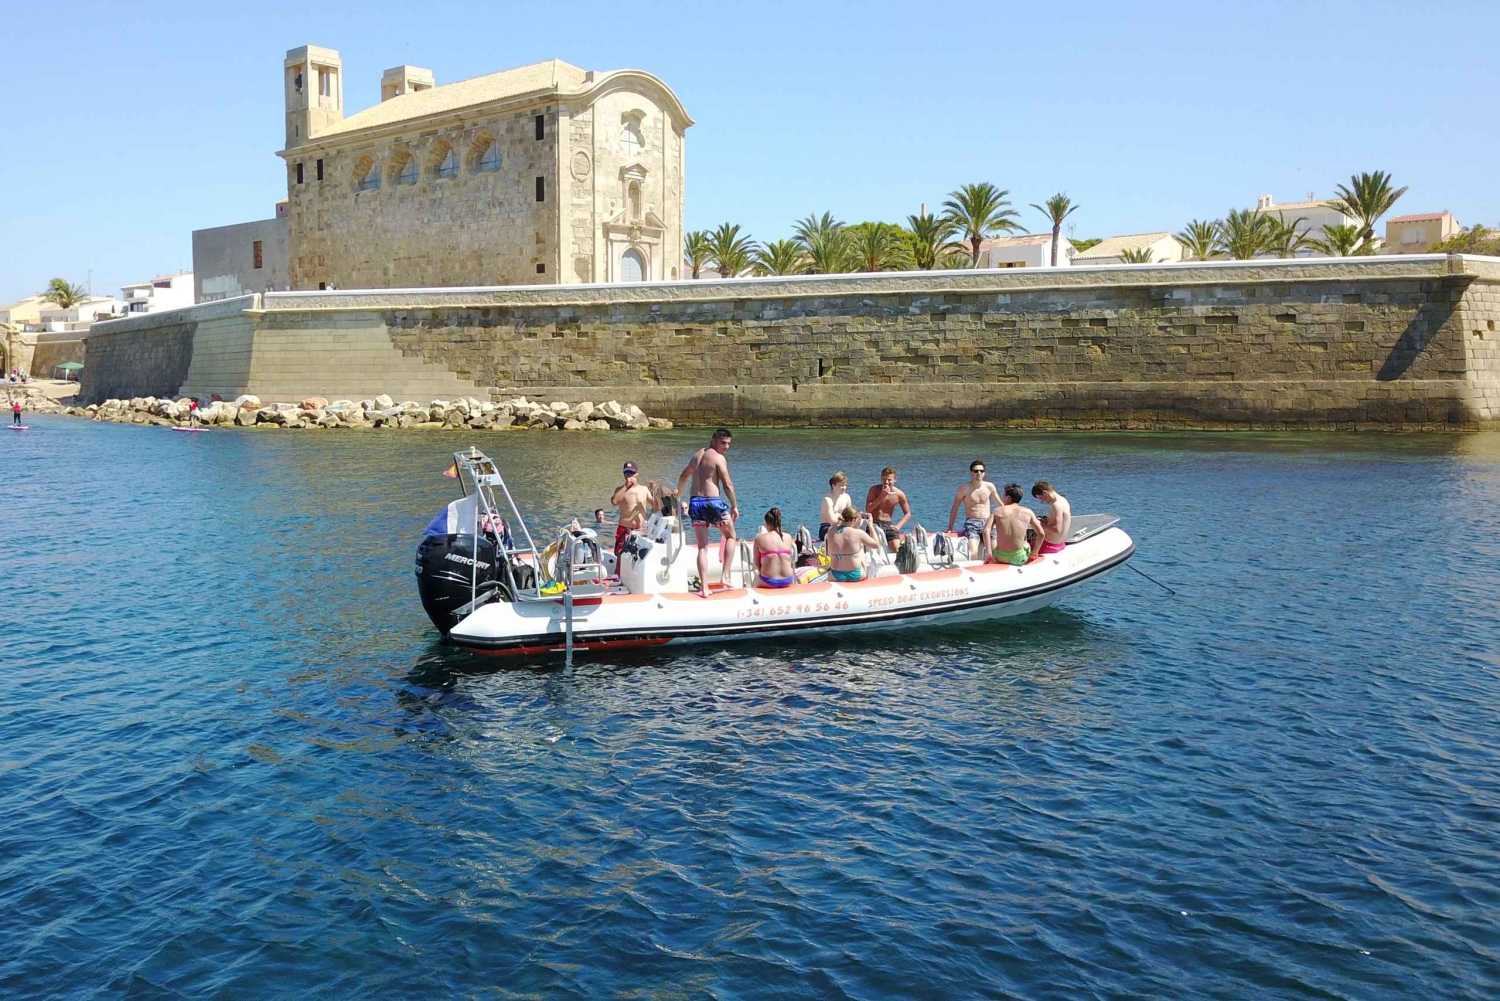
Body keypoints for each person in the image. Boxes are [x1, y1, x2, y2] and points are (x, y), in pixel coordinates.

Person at [675, 428, 739, 597]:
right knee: (731, 535)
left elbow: (683, 475)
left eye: (728, 444)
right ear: (713, 440)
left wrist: (679, 493)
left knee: (702, 547)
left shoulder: (697, 455)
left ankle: (704, 589)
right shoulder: (718, 458)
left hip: (695, 503)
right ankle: (725, 576)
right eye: (723, 443)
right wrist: (734, 505)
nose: (725, 447)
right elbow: (727, 484)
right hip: (713, 502)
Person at [947, 459, 1002, 552]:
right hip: (972, 523)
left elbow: (1001, 505)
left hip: (988, 523)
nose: (979, 473)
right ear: (971, 472)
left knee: (995, 551)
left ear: (984, 473)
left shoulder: (990, 487)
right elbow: (955, 508)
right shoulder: (963, 489)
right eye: (976, 471)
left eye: (981, 471)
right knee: (973, 552)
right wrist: (950, 528)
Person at [986, 483, 1045, 565]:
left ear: (1008, 497)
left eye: (1003, 495)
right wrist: (1035, 552)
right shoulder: (1028, 512)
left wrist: (989, 553)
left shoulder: (996, 511)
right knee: (1025, 543)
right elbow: (1041, 533)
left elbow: (986, 530)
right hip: (1018, 557)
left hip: (1000, 556)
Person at [825, 506, 884, 582]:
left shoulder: (830, 531)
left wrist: (856, 525)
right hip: (856, 575)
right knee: (861, 546)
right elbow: (876, 545)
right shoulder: (858, 533)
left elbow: (844, 532)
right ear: (854, 519)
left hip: (835, 575)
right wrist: (870, 525)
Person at [609, 461, 651, 556]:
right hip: (624, 528)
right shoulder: (620, 490)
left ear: (637, 473)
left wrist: (654, 491)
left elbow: (657, 506)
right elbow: (614, 501)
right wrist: (626, 486)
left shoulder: (644, 489)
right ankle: (618, 571)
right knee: (620, 556)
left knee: (640, 557)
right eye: (626, 472)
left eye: (631, 472)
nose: (629, 475)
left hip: (641, 529)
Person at [864, 466, 911, 546]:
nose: (886, 482)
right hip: (873, 523)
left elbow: (908, 513)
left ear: (895, 479)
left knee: (897, 548)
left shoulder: (899, 494)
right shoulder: (874, 489)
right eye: (884, 479)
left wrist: (898, 526)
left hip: (888, 525)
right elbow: (868, 509)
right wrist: (882, 496)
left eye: (889, 480)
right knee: (871, 547)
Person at [753, 507, 796, 588]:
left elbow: (757, 563)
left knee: (755, 578)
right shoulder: (788, 537)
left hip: (768, 581)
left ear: (767, 523)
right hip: (788, 580)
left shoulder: (760, 538)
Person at [1033, 481, 1072, 554]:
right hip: (1060, 543)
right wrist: (1045, 522)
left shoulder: (1056, 506)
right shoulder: (1063, 500)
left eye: (1041, 498)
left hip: (1049, 545)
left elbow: (1056, 530)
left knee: (1022, 546)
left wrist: (1038, 524)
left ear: (1045, 492)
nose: (1042, 501)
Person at [818, 471, 852, 541]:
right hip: (827, 527)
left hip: (842, 526)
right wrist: (844, 518)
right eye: (841, 485)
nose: (844, 488)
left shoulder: (847, 497)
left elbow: (851, 516)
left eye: (845, 485)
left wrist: (839, 517)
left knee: (855, 531)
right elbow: (832, 522)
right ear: (833, 485)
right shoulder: (827, 500)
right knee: (844, 532)